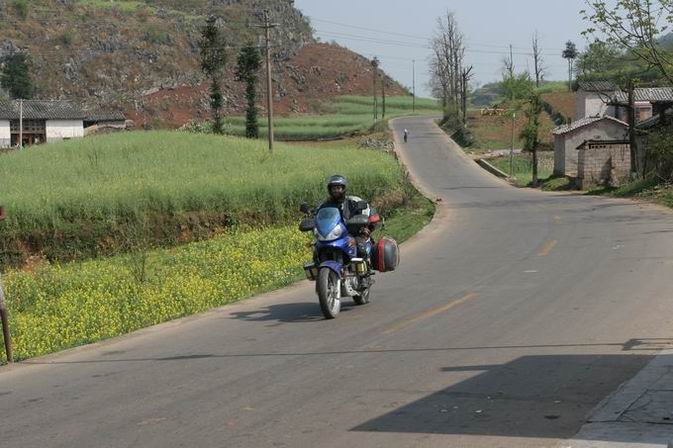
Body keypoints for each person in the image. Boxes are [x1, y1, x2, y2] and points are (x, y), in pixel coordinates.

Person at [318, 175, 376, 261]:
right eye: (333, 188)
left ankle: (363, 266)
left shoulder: (353, 201)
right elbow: (317, 216)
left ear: (343, 189)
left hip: (352, 233)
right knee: (317, 252)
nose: (336, 191)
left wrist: (362, 223)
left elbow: (366, 211)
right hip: (332, 235)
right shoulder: (324, 205)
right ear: (330, 190)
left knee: (361, 249)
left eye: (338, 188)